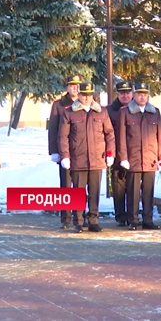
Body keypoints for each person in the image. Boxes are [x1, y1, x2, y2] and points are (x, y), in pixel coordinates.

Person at [58, 83, 115, 233]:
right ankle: (78, 221)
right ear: (79, 95)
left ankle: (93, 221)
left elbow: (109, 134)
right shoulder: (69, 112)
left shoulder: (101, 112)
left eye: (90, 95)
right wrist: (65, 156)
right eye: (84, 95)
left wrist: (110, 153)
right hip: (78, 159)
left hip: (97, 159)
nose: (87, 98)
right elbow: (63, 136)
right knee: (78, 192)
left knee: (94, 192)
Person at [117, 82, 161, 230]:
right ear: (134, 95)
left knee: (148, 192)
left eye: (145, 95)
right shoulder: (125, 112)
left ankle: (148, 220)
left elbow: (160, 136)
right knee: (132, 192)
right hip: (133, 158)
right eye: (139, 94)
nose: (142, 97)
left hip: (150, 158)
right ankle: (133, 220)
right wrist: (123, 158)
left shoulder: (155, 112)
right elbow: (121, 137)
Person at [48, 74, 82, 229]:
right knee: (66, 185)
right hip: (65, 151)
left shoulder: (86, 103)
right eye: (71, 86)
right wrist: (54, 152)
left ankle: (79, 217)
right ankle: (66, 218)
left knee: (81, 186)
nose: (74, 88)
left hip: (82, 151)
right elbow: (53, 130)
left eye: (77, 86)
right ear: (67, 88)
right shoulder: (59, 105)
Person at [107, 81, 134, 226]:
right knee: (118, 187)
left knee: (133, 186)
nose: (125, 95)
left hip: (134, 153)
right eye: (122, 93)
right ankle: (120, 215)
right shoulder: (110, 110)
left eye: (128, 93)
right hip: (116, 154)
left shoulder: (137, 108)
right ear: (118, 94)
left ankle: (132, 215)